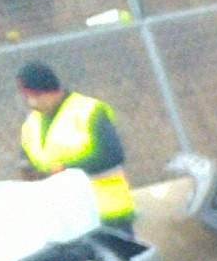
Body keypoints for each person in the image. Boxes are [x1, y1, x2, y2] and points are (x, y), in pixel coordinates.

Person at [16, 60, 136, 230]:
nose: (31, 103)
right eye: (27, 97)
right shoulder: (31, 124)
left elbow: (112, 155)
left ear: (51, 91)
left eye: (35, 96)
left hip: (108, 212)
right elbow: (28, 165)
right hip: (66, 220)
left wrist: (66, 169)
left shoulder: (89, 110)